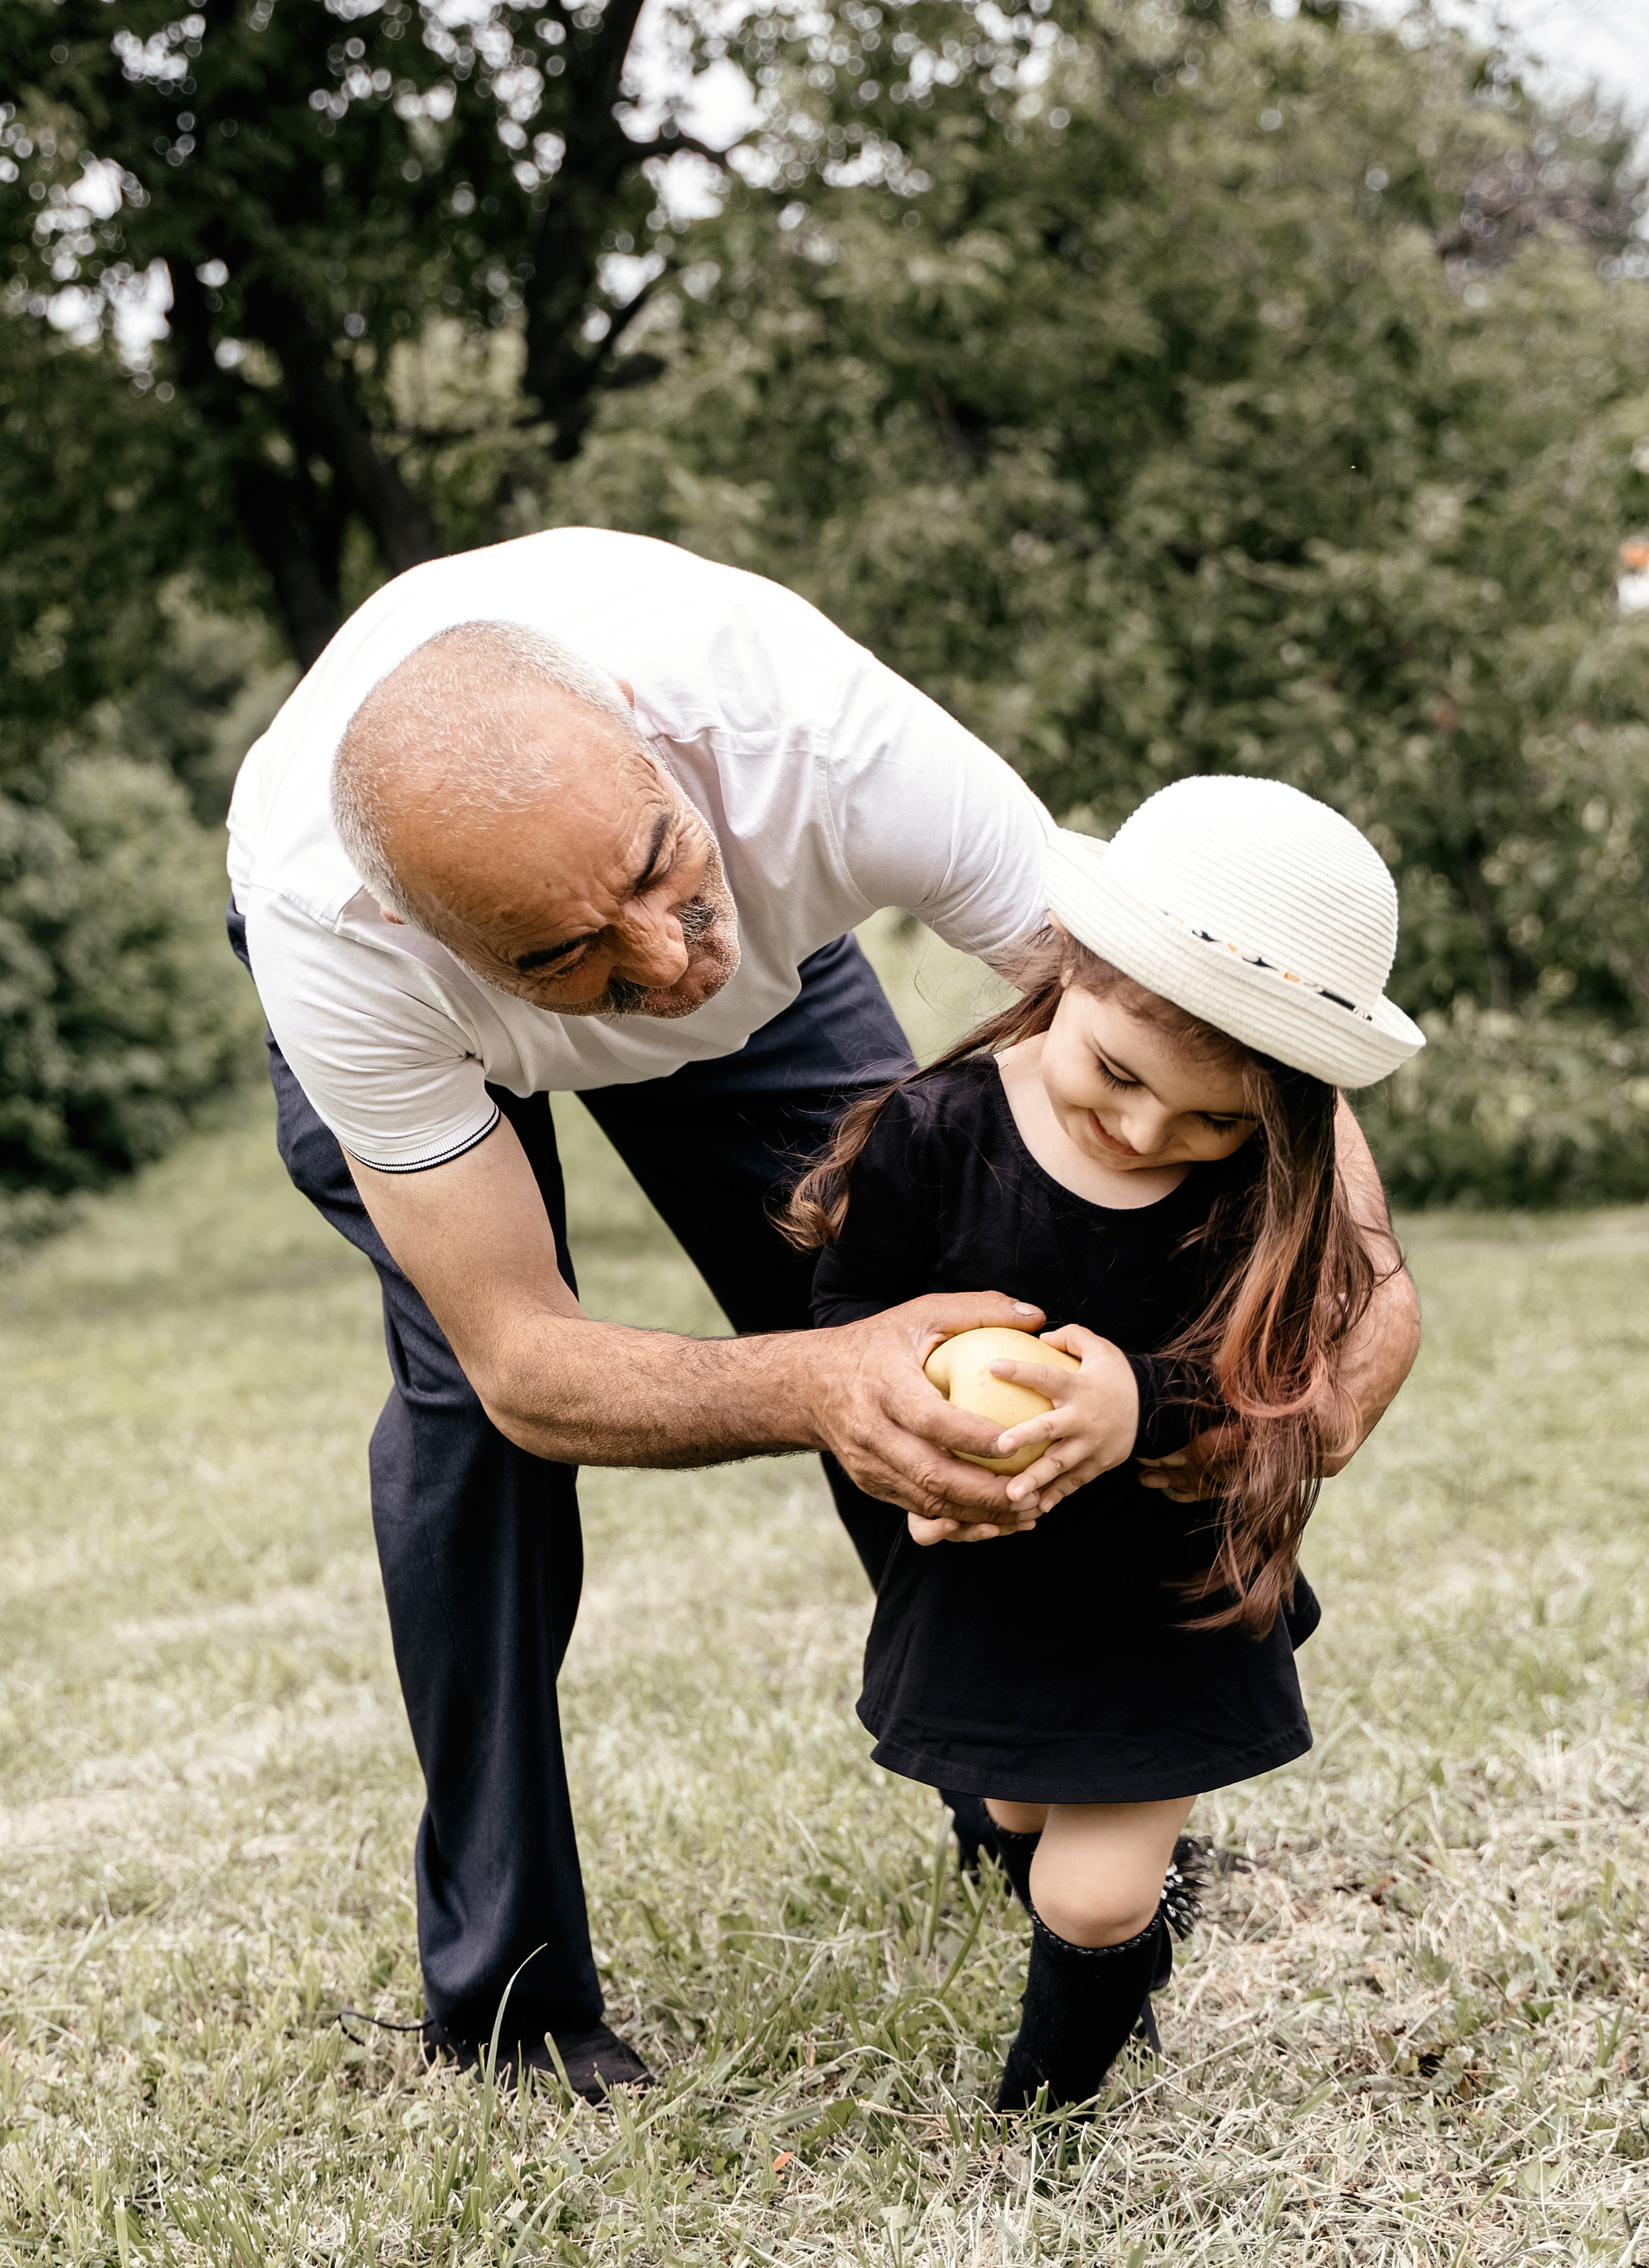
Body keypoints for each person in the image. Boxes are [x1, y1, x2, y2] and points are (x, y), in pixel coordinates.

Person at [226, 527, 1420, 2098]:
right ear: (421, 933)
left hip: (760, 983)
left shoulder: (820, 742)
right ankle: (505, 1993)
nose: (664, 965)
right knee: (474, 1428)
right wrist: (816, 1383)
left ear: (669, 745)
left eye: (659, 865)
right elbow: (528, 1364)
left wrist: (1366, 1293)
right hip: (448, 1057)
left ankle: (1036, 1782)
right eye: (575, 948)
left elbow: (1209, 1012)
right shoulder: (341, 946)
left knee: (934, 1295)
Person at [791, 776, 1424, 2112]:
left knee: (1088, 1891)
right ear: (1063, 970)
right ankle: (1101, 1893)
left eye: (1210, 1121)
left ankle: (1054, 2103)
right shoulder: (934, 1132)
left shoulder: (1264, 1188)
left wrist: (1142, 1401)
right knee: (1018, 1814)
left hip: (1162, 1585)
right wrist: (913, 1432)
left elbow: (1276, 1374)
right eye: (1116, 1076)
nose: (1147, 1134)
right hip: (995, 1575)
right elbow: (848, 1319)